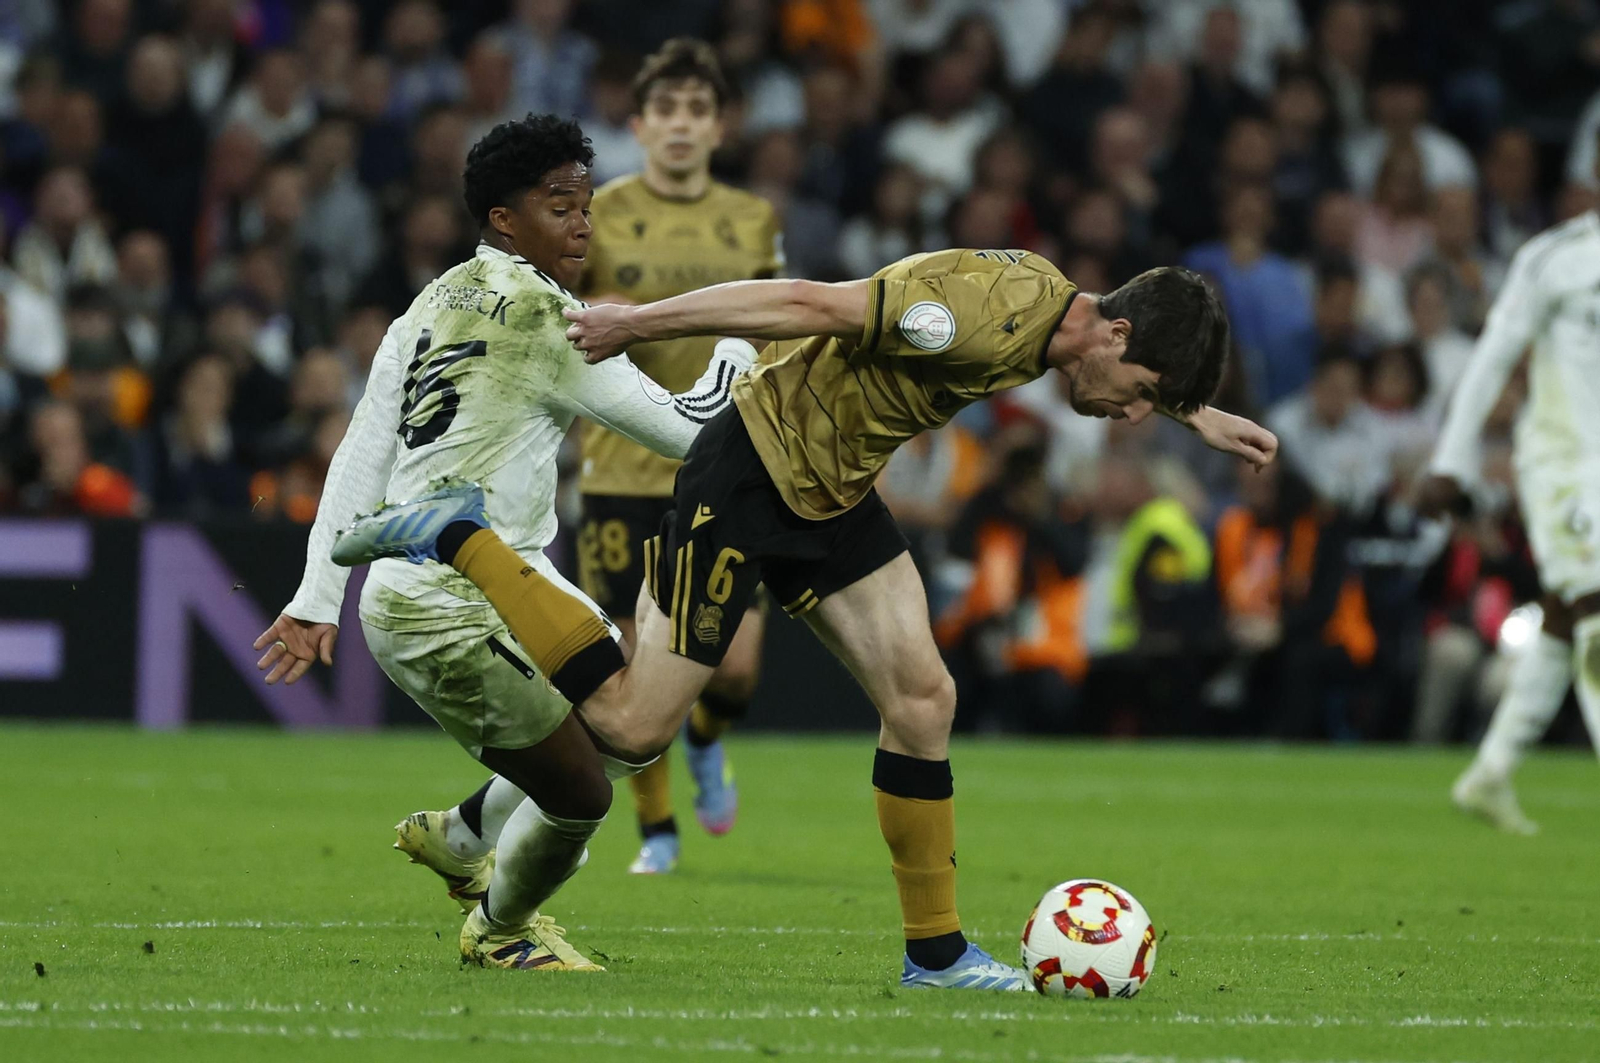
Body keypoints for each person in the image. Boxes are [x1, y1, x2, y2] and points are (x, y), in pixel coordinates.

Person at [335, 248, 1277, 990]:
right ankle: (462, 536)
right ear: (1115, 332)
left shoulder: (1064, 322)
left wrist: (1195, 412)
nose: (1134, 416)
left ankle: (936, 955)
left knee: (923, 698)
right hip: (750, 471)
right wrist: (638, 322)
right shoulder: (976, 310)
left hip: (834, 494)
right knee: (630, 726)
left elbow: (1109, 366)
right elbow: (805, 302)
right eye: (1144, 394)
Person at [252, 114, 757, 971]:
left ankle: (461, 836)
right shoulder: (546, 318)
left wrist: (316, 596)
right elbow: (691, 430)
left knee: (634, 720)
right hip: (451, 604)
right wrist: (740, 348)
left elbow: (364, 449)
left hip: (487, 585)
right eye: (560, 206)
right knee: (586, 787)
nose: (582, 224)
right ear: (504, 218)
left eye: (587, 206)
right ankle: (499, 930)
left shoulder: (429, 303)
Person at [571, 38, 783, 874]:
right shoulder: (600, 211)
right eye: (666, 109)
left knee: (735, 669)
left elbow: (777, 321)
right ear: (638, 125)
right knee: (632, 664)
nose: (682, 124)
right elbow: (562, 310)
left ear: (721, 127)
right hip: (622, 463)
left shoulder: (753, 219)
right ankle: (656, 830)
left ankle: (704, 735)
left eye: (698, 109)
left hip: (726, 461)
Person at [1417, 141, 1600, 835]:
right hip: (1564, 464)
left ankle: (1490, 773)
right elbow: (1494, 355)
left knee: (1564, 614)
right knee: (1596, 607)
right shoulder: (1557, 259)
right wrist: (1451, 461)